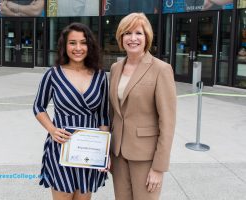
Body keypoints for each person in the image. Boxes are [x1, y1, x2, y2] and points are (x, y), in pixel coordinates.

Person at [33, 22, 110, 200]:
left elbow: (104, 116)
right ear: (64, 46)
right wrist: (52, 130)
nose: (78, 48)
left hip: (89, 150)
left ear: (89, 46)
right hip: (61, 147)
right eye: (72, 43)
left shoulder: (99, 76)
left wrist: (103, 151)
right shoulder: (53, 75)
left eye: (83, 42)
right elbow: (38, 106)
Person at [109, 13, 176, 200]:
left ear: (147, 37)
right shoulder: (115, 68)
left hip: (146, 156)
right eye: (127, 33)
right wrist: (105, 152)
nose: (132, 38)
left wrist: (159, 167)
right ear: (120, 37)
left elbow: (168, 123)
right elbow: (112, 114)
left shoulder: (161, 69)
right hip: (118, 153)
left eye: (138, 33)